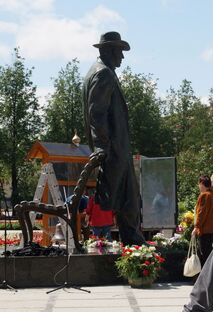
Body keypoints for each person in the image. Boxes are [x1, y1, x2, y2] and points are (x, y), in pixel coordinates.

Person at [83, 31, 145, 246]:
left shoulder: (100, 71)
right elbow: (96, 114)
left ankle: (133, 243)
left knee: (128, 199)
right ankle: (134, 244)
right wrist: (103, 147)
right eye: (119, 51)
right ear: (108, 50)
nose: (122, 57)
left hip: (116, 148)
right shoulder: (103, 74)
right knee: (129, 198)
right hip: (114, 150)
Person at [192, 175, 213, 266]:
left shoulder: (204, 195)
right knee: (209, 253)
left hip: (205, 230)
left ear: (202, 184)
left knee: (205, 255)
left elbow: (201, 213)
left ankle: (207, 276)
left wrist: (196, 227)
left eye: (199, 184)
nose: (198, 186)